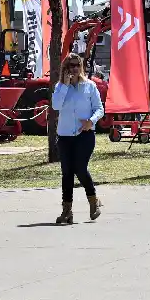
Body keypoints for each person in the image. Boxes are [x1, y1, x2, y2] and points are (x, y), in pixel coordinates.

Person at [51, 55, 105, 224]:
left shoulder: (89, 86)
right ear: (65, 68)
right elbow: (56, 106)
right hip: (65, 135)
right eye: (70, 66)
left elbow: (99, 109)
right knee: (67, 172)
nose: (74, 69)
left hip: (85, 135)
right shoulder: (60, 87)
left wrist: (91, 121)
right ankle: (67, 211)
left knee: (80, 168)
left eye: (77, 65)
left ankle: (93, 200)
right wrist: (65, 86)